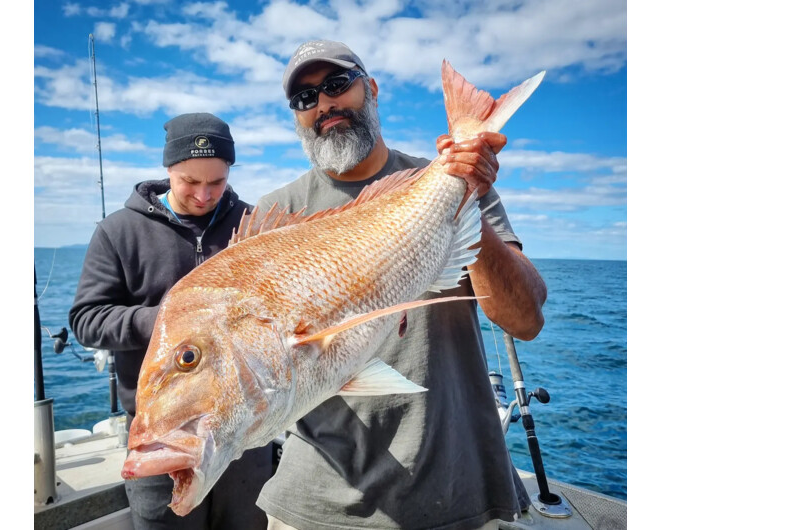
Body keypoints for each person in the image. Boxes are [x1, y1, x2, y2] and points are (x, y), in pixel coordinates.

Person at [254, 41, 548, 530]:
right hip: (315, 501)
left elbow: (525, 319)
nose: (323, 104)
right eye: (305, 99)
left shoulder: (454, 177)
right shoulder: (275, 216)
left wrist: (466, 197)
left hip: (455, 489)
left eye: (335, 85)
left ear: (370, 89)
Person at [69, 113, 272, 529]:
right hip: (165, 428)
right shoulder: (119, 231)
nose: (203, 194)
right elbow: (87, 319)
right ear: (168, 170)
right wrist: (168, 321)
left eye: (216, 182)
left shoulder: (253, 226)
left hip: (246, 432)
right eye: (189, 181)